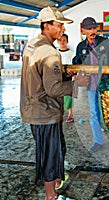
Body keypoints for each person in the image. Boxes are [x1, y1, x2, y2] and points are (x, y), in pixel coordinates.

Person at [20, 6, 89, 200]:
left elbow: (39, 77)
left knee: (51, 150)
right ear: (47, 25)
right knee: (51, 154)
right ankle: (50, 195)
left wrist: (63, 75)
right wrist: (77, 84)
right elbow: (53, 89)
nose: (62, 30)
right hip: (45, 111)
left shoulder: (32, 45)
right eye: (59, 25)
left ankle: (54, 184)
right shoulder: (50, 53)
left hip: (33, 109)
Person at [72, 17, 109, 151]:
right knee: (94, 113)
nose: (92, 31)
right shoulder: (81, 47)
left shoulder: (105, 42)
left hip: (106, 85)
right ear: (83, 30)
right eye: (89, 29)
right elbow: (77, 61)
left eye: (94, 28)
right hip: (91, 85)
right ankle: (98, 141)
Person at [57, 33, 75, 123]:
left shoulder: (72, 53)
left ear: (67, 41)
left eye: (64, 40)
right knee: (58, 97)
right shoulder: (55, 53)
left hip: (69, 78)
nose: (62, 42)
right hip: (57, 78)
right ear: (57, 41)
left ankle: (70, 115)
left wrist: (74, 76)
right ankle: (59, 114)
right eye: (60, 40)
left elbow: (75, 67)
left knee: (68, 97)